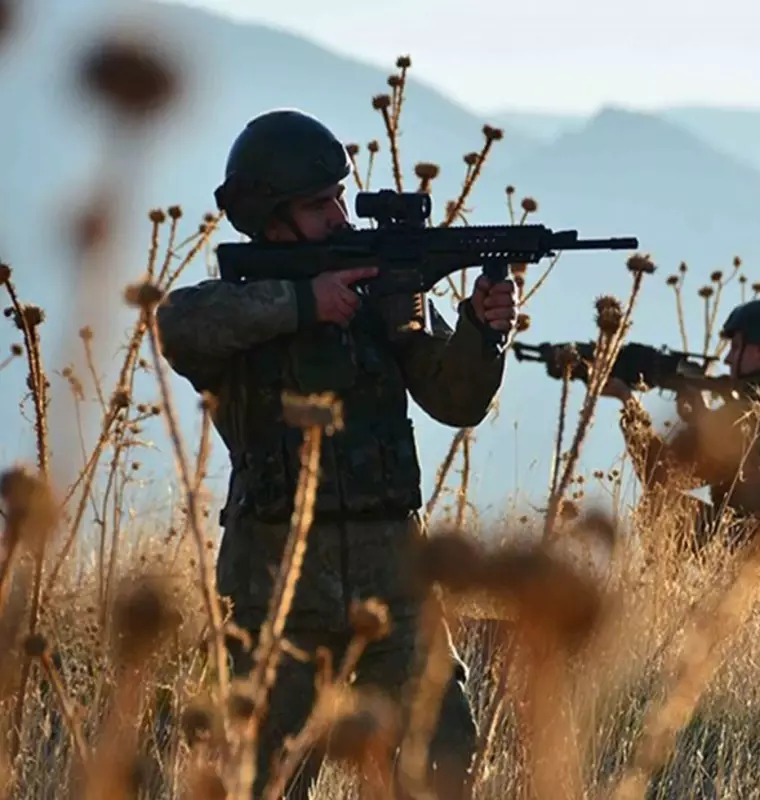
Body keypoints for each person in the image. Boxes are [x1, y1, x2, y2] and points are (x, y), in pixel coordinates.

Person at [154, 108, 516, 798]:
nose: (341, 217)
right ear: (269, 217)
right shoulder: (238, 308)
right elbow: (178, 325)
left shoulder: (384, 296)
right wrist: (302, 304)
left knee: (442, 764)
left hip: (394, 572)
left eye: (341, 199)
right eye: (320, 206)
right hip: (275, 582)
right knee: (264, 779)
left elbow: (455, 401)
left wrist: (480, 329)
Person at [602, 297, 760, 555]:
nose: (729, 359)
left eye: (736, 346)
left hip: (756, 554)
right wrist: (704, 419)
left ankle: (669, 594)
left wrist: (629, 404)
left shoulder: (751, 409)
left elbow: (662, 473)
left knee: (659, 505)